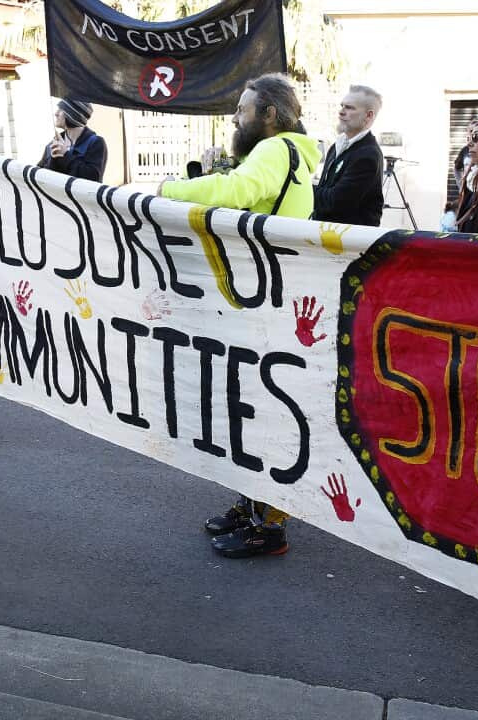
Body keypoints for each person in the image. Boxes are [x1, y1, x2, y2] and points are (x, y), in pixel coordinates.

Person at [159, 73, 321, 558]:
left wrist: (172, 188)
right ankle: (254, 505)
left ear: (269, 114)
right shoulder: (291, 154)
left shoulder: (275, 150)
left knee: (259, 411)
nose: (235, 117)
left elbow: (237, 191)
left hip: (259, 303)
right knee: (254, 408)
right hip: (268, 298)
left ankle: (269, 526)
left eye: (243, 109)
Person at [313, 84, 384, 226]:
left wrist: (301, 189)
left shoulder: (368, 155)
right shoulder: (337, 145)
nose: (341, 112)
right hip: (326, 236)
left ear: (369, 115)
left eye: (350, 107)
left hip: (348, 243)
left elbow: (335, 202)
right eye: (342, 106)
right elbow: (325, 190)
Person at [37, 98, 107, 182]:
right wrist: (53, 159)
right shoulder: (52, 144)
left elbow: (93, 178)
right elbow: (41, 177)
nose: (56, 113)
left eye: (61, 109)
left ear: (73, 114)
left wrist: (65, 155)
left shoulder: (96, 143)